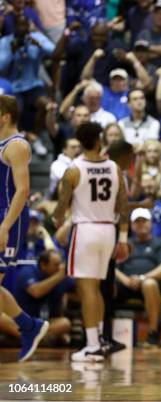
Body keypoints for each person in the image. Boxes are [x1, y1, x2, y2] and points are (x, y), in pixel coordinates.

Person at [52, 122, 129, 362]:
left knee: (87, 290)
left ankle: (93, 345)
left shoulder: (73, 170)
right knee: (97, 289)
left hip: (85, 231)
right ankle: (99, 342)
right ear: (99, 141)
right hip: (108, 231)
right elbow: (123, 206)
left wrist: (59, 221)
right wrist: (124, 237)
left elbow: (61, 207)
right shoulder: (114, 168)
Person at [0, 95, 48, 362]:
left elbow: (23, 190)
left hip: (9, 218)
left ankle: (30, 325)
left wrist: (4, 226)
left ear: (5, 116)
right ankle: (30, 326)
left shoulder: (16, 145)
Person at [115, 208, 161, 347]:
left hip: (148, 285)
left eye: (144, 221)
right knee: (105, 284)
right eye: (137, 222)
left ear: (151, 223)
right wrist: (125, 279)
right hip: (125, 283)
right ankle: (103, 333)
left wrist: (142, 278)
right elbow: (114, 268)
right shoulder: (125, 244)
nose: (141, 224)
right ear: (132, 225)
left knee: (149, 284)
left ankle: (153, 333)